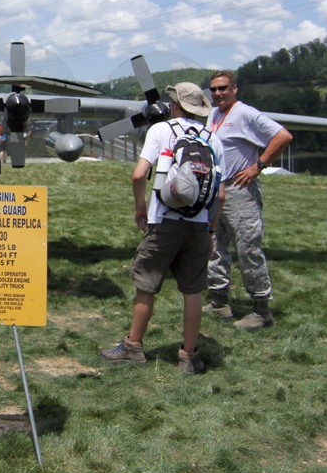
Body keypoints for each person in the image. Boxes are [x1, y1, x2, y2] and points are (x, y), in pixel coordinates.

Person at [101, 82, 225, 375]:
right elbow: (220, 194)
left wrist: (140, 207)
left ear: (174, 105)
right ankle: (188, 357)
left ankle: (133, 347)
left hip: (163, 223)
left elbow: (139, 174)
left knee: (146, 285)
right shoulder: (213, 139)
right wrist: (209, 229)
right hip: (198, 225)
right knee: (193, 290)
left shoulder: (161, 131)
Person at [204, 70, 293, 330]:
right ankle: (219, 300)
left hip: (240, 190)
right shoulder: (214, 114)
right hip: (216, 191)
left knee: (247, 249)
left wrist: (259, 165)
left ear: (234, 89)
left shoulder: (245, 114)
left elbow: (283, 136)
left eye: (223, 88)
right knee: (214, 246)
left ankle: (261, 310)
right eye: (214, 89)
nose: (218, 93)